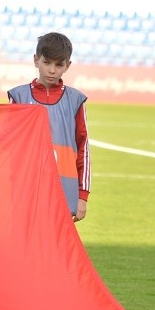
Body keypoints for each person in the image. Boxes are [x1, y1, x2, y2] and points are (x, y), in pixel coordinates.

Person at [8, 32, 91, 222]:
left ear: (67, 66)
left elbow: (83, 148)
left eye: (59, 65)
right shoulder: (18, 97)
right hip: (25, 189)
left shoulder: (75, 100)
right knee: (24, 245)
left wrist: (82, 196)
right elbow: (9, 145)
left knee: (55, 249)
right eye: (47, 63)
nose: (52, 70)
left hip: (63, 189)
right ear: (36, 61)